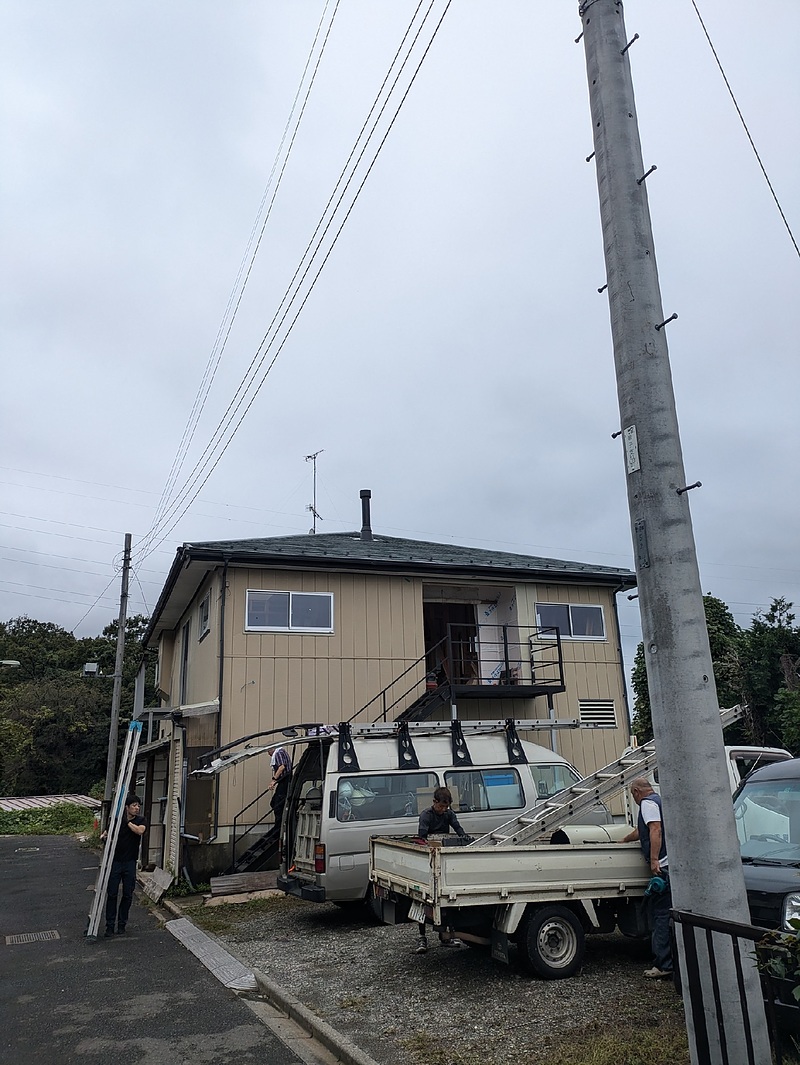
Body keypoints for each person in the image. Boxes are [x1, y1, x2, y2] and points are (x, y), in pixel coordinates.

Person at [620, 776, 673, 978]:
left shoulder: (647, 804)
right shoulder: (658, 801)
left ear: (636, 792)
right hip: (669, 864)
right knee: (665, 914)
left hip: (663, 867)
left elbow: (655, 829)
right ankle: (669, 960)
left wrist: (653, 859)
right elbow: (642, 830)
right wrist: (624, 840)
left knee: (660, 916)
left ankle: (663, 965)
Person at [415, 786, 467, 954]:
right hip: (429, 858)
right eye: (441, 806)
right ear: (434, 802)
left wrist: (464, 839)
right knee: (424, 901)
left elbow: (458, 829)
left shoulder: (449, 814)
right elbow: (422, 838)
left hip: (442, 859)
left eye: (446, 807)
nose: (443, 810)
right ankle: (422, 937)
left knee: (446, 900)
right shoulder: (426, 816)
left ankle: (445, 936)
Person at [101, 794, 146, 936]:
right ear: (127, 807)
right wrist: (104, 837)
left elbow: (140, 831)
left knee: (128, 894)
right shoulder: (116, 821)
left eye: (138, 806)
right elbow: (105, 834)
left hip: (130, 862)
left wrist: (126, 822)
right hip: (115, 861)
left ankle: (122, 924)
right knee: (112, 893)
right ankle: (109, 925)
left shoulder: (140, 820)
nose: (137, 808)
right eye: (134, 805)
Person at [268, 744, 293, 830]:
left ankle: (278, 826)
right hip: (284, 780)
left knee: (277, 804)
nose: (268, 754)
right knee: (274, 802)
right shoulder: (282, 751)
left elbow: (281, 767)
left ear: (271, 749)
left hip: (285, 780)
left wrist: (274, 780)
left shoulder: (278, 753)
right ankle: (279, 824)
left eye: (268, 751)